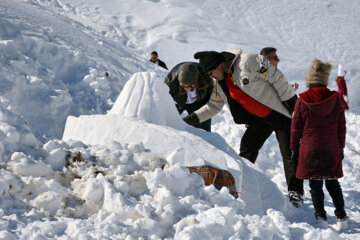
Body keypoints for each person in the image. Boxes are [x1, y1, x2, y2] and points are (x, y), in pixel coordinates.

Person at [184, 48, 304, 206]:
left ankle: (296, 192)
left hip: (281, 114)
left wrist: (291, 101)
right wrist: (191, 119)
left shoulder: (248, 62)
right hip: (260, 119)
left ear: (220, 65)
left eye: (211, 72)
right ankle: (244, 185)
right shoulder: (219, 84)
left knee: (289, 152)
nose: (211, 77)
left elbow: (276, 77)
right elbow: (213, 106)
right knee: (247, 147)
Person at [290, 59, 348, 230]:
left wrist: (294, 149)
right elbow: (341, 127)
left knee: (315, 185)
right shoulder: (335, 99)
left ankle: (321, 217)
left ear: (309, 80)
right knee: (333, 183)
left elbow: (295, 128)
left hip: (310, 149)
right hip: (330, 148)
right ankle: (341, 215)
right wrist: (341, 147)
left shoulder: (302, 100)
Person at [165, 62, 213, 132]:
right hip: (179, 102)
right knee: (169, 125)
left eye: (189, 86)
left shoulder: (205, 76)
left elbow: (210, 89)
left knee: (204, 131)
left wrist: (206, 104)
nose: (186, 89)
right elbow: (166, 99)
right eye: (183, 86)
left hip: (199, 102)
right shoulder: (170, 81)